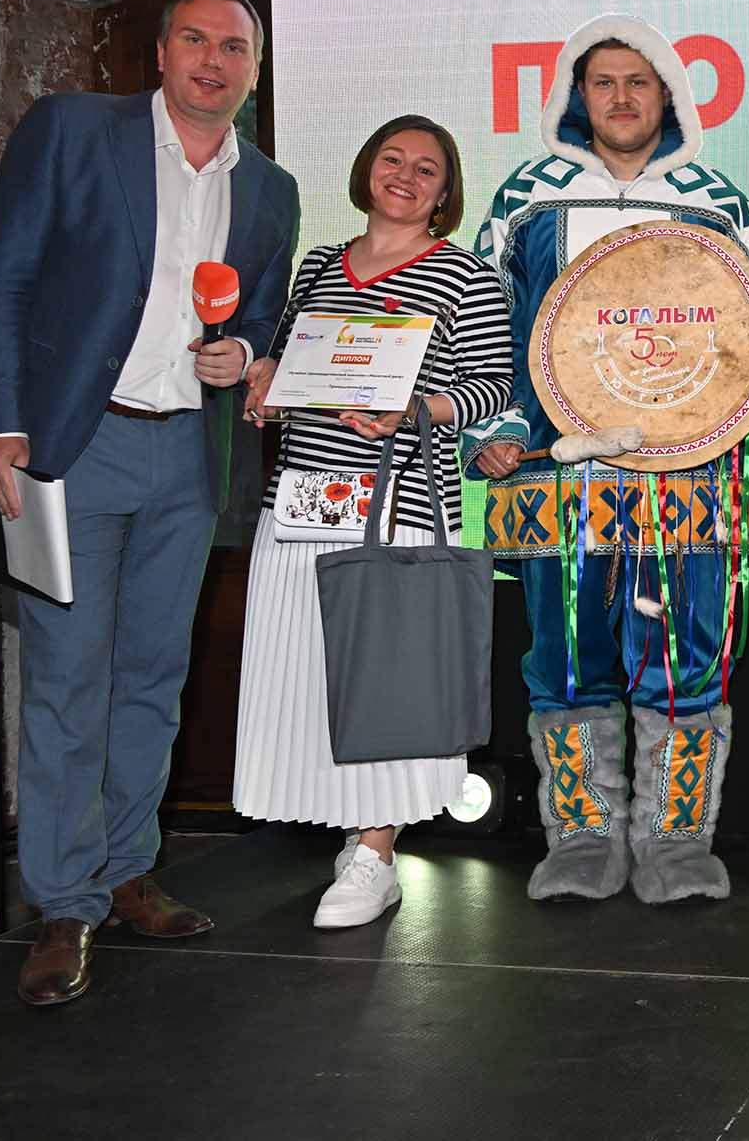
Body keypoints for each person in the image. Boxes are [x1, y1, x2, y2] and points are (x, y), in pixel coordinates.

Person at [0, 0, 299, 1004]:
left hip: (188, 457)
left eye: (233, 48)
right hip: (75, 445)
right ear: (160, 54)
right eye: (194, 40)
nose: (212, 60)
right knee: (69, 677)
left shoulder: (271, 188)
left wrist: (246, 352)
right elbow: (5, 278)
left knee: (154, 674)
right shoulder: (73, 131)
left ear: (253, 70)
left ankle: (123, 870)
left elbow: (265, 313)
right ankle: (65, 904)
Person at [462, 15, 749, 905]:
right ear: (578, 95)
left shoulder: (714, 199)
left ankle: (676, 844)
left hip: (686, 478)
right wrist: (489, 429)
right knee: (566, 661)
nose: (620, 97)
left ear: (668, 96)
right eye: (603, 81)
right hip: (555, 477)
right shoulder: (526, 195)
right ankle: (581, 839)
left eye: (637, 82)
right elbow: (485, 322)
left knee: (684, 658)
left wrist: (726, 407)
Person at [233, 115, 512, 928]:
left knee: (386, 682)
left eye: (427, 168)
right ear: (366, 170)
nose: (406, 176)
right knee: (309, 676)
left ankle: (377, 851)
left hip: (400, 508)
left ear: (445, 193)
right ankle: (348, 832)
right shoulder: (320, 264)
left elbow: (491, 386)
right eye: (393, 158)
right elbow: (288, 363)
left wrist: (419, 405)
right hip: (299, 503)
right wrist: (265, 383)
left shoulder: (466, 276)